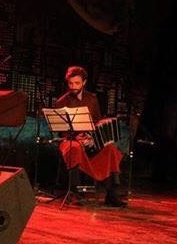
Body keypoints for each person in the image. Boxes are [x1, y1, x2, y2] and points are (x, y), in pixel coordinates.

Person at [54, 66, 126, 207]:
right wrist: (75, 137)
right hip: (70, 140)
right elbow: (60, 130)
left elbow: (97, 122)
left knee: (110, 148)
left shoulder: (92, 99)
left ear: (84, 82)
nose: (73, 87)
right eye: (70, 83)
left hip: (89, 139)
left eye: (77, 83)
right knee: (74, 148)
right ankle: (75, 193)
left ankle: (111, 194)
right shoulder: (61, 102)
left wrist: (92, 136)